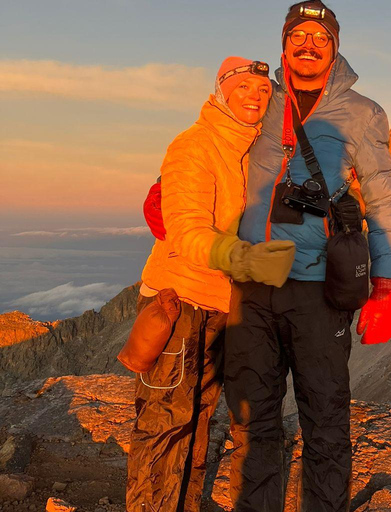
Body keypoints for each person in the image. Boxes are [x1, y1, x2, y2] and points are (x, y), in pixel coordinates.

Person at [225, 2, 391, 511]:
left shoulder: (362, 113)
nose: (308, 46)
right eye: (299, 36)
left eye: (319, 38)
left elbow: (384, 197)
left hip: (316, 291)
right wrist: (169, 189)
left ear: (334, 47)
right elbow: (220, 141)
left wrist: (386, 287)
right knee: (252, 424)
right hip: (253, 287)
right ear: (284, 44)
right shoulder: (262, 98)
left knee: (325, 423)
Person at [126, 57, 296, 512]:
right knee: (166, 428)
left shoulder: (259, 150)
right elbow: (186, 230)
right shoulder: (194, 145)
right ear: (221, 91)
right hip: (178, 305)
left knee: (198, 427)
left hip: (226, 307)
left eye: (262, 91)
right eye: (243, 87)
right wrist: (249, 259)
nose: (254, 97)